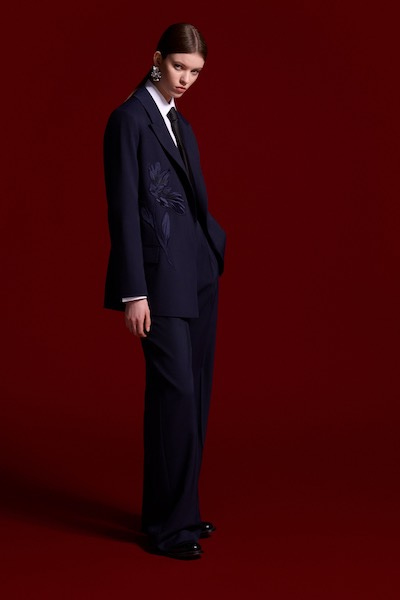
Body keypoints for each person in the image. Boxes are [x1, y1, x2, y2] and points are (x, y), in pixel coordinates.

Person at [103, 23, 226, 560]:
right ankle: (170, 531)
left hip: (197, 276)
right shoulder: (128, 120)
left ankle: (178, 514)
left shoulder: (180, 123)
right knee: (173, 398)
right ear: (157, 59)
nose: (185, 80)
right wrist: (133, 293)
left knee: (193, 395)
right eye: (179, 67)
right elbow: (123, 210)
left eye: (195, 72)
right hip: (156, 283)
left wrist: (212, 249)